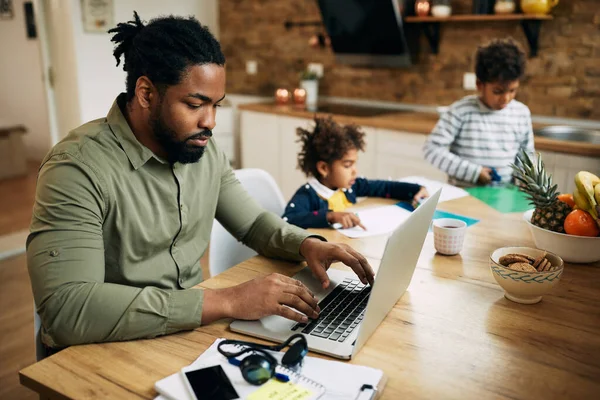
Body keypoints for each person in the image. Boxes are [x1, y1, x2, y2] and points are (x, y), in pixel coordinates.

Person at [26, 12, 374, 350]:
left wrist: (307, 245)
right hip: (106, 348)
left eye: (216, 105)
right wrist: (229, 300)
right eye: (195, 104)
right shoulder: (76, 168)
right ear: (146, 94)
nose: (210, 121)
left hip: (190, 333)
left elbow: (252, 223)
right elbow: (67, 309)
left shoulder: (201, 150)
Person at [423, 37, 535, 187]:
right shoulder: (460, 111)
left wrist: (526, 177)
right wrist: (473, 172)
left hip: (504, 198)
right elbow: (432, 150)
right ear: (479, 85)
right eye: (498, 91)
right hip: (463, 196)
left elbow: (526, 156)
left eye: (513, 90)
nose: (506, 98)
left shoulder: (521, 114)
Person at [282, 116, 428, 229]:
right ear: (324, 168)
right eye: (347, 165)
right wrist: (330, 216)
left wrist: (416, 189)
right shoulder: (308, 195)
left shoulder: (351, 186)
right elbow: (288, 220)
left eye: (354, 164)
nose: (354, 171)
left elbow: (385, 187)